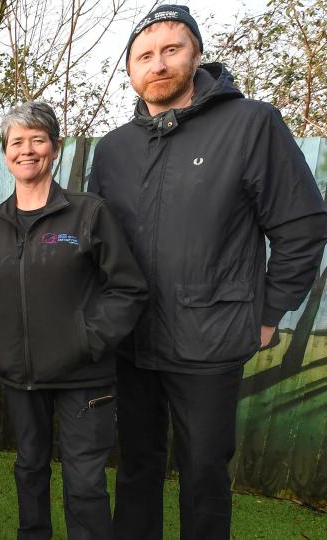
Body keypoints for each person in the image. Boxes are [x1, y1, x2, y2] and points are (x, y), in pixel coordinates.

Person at [88, 6, 327, 539]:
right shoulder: (113, 150)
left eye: (171, 50)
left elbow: (301, 225)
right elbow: (94, 243)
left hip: (210, 342)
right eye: (144, 56)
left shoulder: (251, 124)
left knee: (203, 475)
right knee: (137, 468)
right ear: (130, 70)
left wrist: (268, 312)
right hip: (132, 341)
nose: (158, 63)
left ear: (196, 54)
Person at [0, 102, 147, 539]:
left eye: (38, 140)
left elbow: (127, 288)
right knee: (29, 468)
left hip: (84, 378)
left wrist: (88, 341)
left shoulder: (87, 213)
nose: (27, 150)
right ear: (5, 153)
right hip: (20, 376)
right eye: (16, 142)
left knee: (85, 482)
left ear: (56, 147)